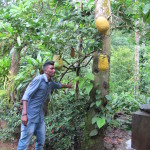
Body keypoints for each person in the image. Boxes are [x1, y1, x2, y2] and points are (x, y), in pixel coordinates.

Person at [17, 61, 72, 150]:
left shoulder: (50, 82)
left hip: (39, 117)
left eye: (54, 68)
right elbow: (26, 95)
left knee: (41, 142)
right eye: (52, 68)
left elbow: (58, 85)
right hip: (30, 117)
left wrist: (69, 86)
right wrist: (24, 114)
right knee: (24, 143)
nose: (54, 70)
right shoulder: (39, 79)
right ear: (46, 70)